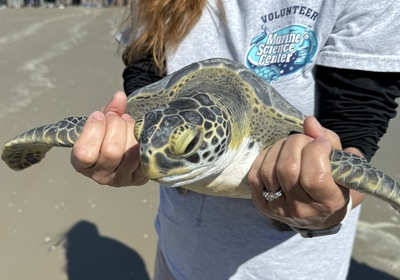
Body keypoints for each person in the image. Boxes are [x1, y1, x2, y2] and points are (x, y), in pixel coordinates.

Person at [71, 1, 400, 279]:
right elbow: (144, 77)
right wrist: (126, 137)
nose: (152, 161)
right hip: (178, 250)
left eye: (184, 146)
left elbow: (357, 125)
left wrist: (328, 204)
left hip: (291, 268)